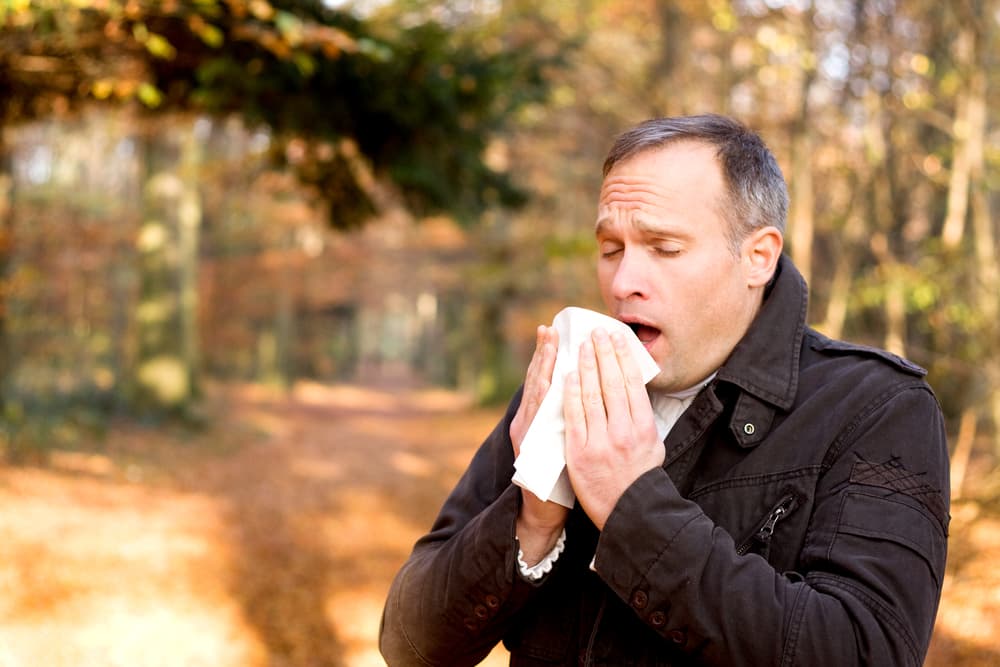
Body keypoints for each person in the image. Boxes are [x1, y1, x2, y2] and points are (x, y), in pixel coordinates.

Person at [379, 114, 949, 666]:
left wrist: (633, 507)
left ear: (758, 257)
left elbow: (865, 650)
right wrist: (533, 517)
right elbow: (411, 645)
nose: (623, 282)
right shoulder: (571, 388)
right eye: (610, 249)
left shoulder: (878, 408)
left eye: (665, 249)